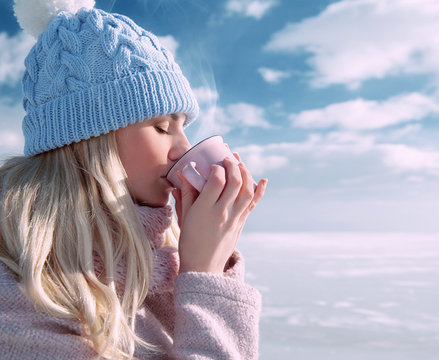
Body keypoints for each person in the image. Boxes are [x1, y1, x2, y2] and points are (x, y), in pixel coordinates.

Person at [0, 1, 267, 359]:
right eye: (161, 126)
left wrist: (207, 267)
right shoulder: (22, 291)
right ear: (89, 138)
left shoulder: (157, 266)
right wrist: (206, 281)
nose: (182, 149)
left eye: (182, 127)